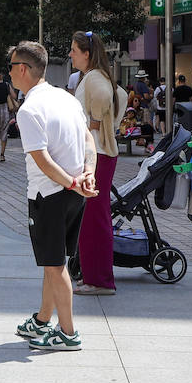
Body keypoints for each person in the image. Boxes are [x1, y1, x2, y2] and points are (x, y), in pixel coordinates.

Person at [8, 42, 98, 351]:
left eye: (10, 68)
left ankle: (68, 332)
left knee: (55, 267)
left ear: (23, 69)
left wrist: (75, 182)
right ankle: (43, 319)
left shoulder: (29, 110)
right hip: (74, 193)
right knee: (54, 261)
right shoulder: (66, 97)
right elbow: (89, 137)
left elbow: (43, 161)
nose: (9, 74)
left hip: (50, 194)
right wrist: (88, 173)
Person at [70, 31, 125, 296]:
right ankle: (95, 276)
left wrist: (95, 122)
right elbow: (120, 95)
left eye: (74, 50)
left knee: (94, 217)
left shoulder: (93, 77)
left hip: (97, 154)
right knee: (92, 217)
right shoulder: (94, 76)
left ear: (87, 54)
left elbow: (108, 97)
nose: (70, 55)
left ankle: (100, 280)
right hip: (99, 153)